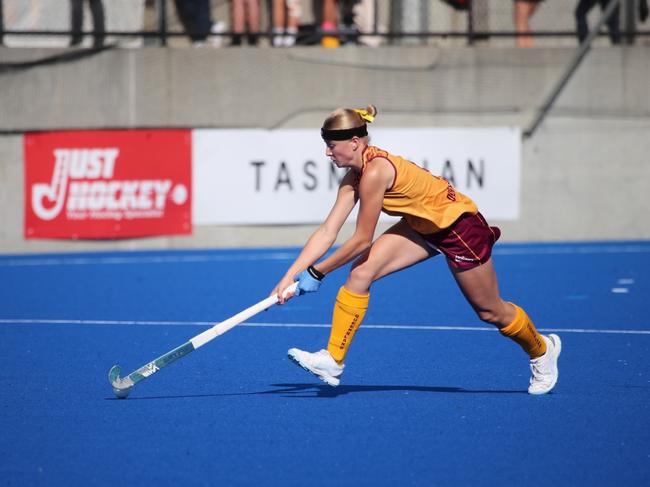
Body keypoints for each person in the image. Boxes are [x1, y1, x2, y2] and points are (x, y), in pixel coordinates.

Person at [272, 105, 562, 395]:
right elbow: (327, 231)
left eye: (331, 146)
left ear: (355, 143)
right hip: (421, 226)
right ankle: (333, 360)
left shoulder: (375, 173)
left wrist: (317, 272)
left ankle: (541, 350)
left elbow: (361, 240)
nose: (327, 153)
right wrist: (290, 275)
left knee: (490, 311)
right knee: (361, 272)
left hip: (458, 229)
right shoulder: (354, 176)